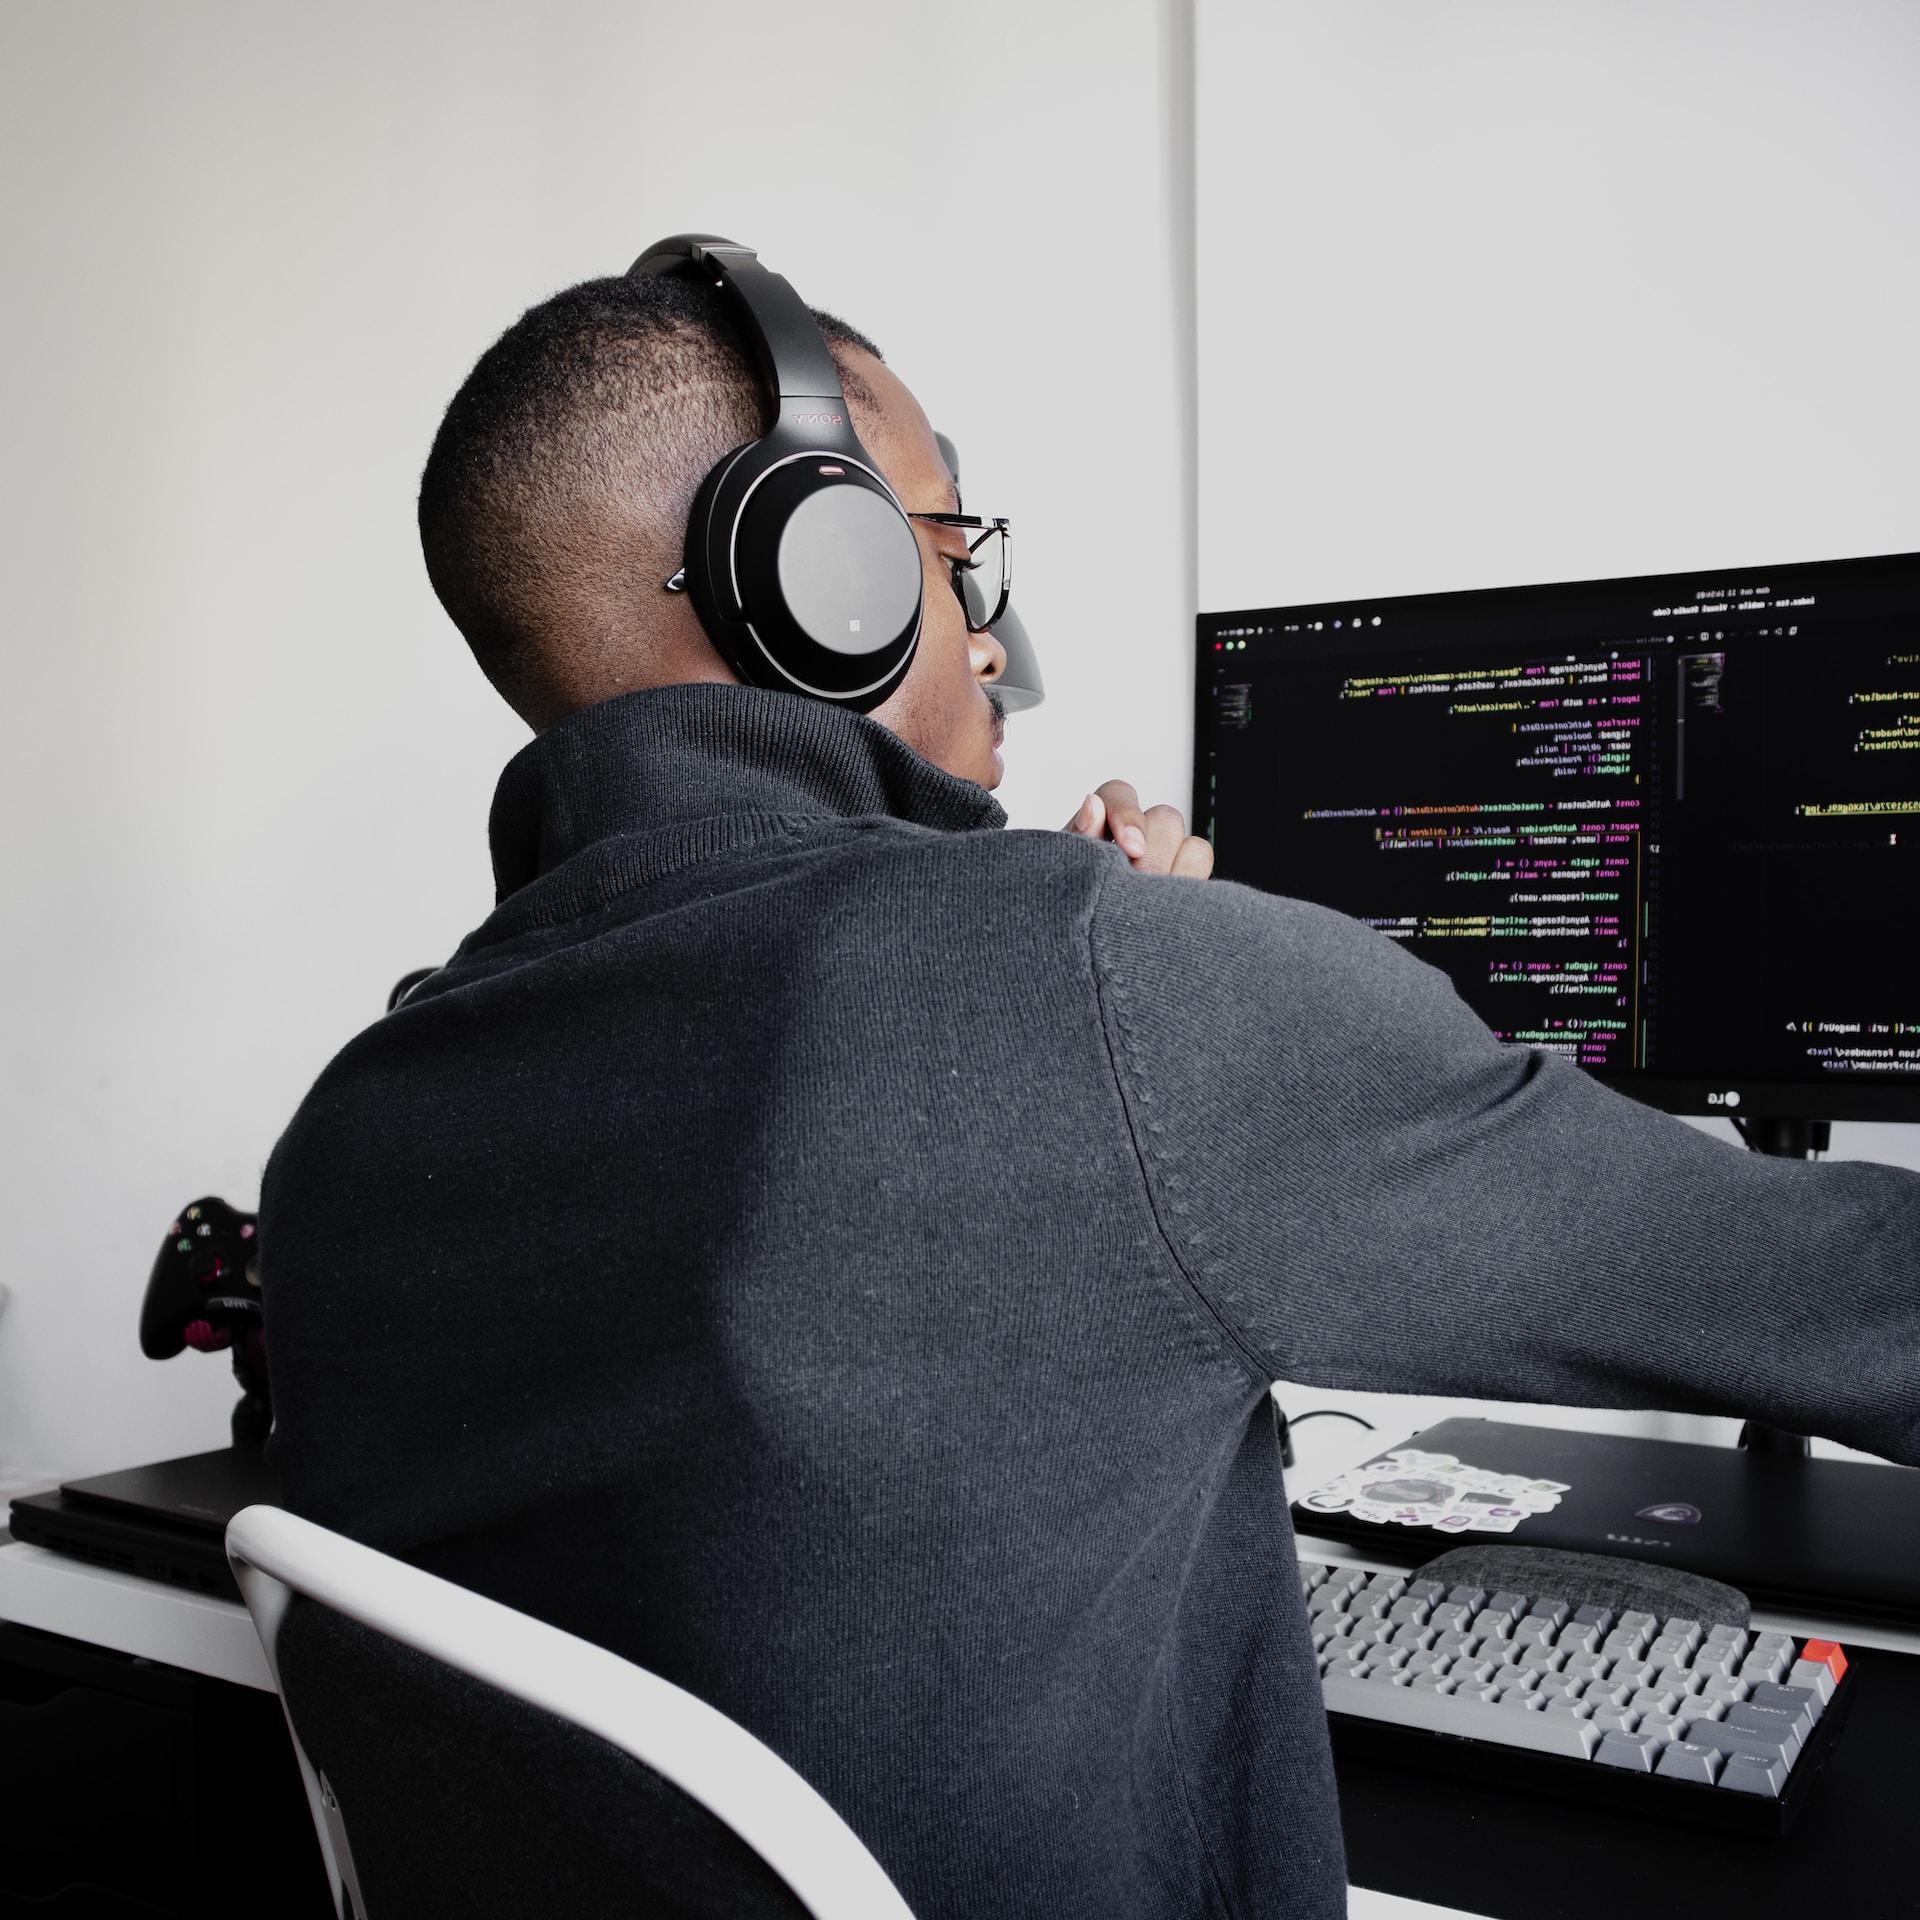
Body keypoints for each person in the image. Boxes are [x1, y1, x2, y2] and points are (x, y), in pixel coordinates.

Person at [258, 264, 1920, 1920]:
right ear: (808, 567)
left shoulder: (353, 1125)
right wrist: (1113, 980)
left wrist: (1036, 971)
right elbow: (1852, 1298)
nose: (989, 630)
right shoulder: (1120, 991)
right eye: (948, 546)